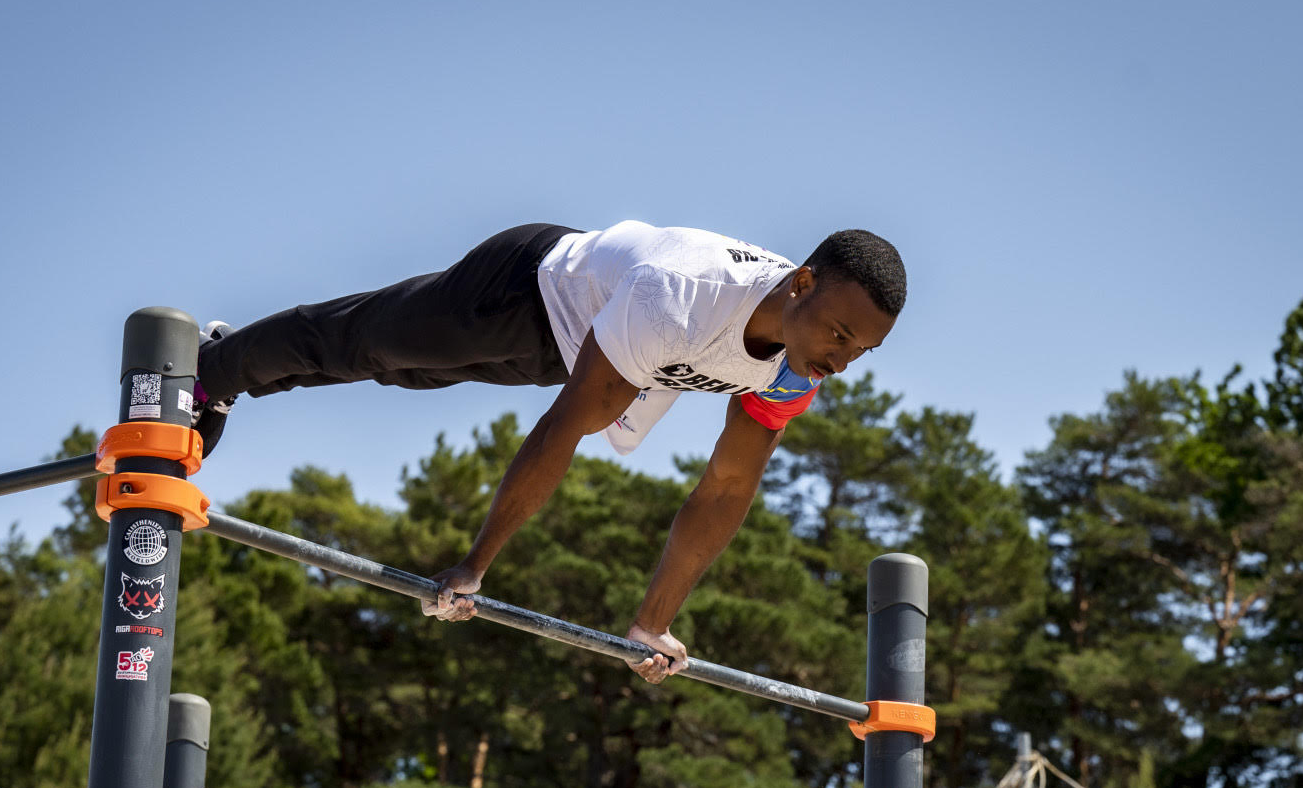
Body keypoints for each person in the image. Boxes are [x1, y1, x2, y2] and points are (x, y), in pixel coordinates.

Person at [191, 220, 906, 683]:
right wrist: (473, 569)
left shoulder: (793, 369)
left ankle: (231, 374)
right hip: (524, 289)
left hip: (572, 350)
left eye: (861, 350)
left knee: (405, 375)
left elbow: (724, 488)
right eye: (840, 334)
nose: (841, 359)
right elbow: (564, 429)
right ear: (802, 285)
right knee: (369, 342)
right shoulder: (683, 295)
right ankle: (210, 369)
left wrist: (652, 622)